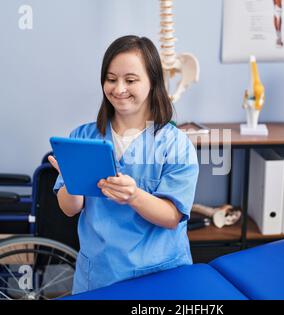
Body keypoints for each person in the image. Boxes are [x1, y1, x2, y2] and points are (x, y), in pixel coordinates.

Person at [48, 35, 199, 294]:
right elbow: (69, 209)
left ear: (153, 82)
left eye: (130, 80)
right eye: (111, 79)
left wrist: (134, 196)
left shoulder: (175, 144)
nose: (118, 89)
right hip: (100, 274)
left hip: (159, 274)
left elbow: (173, 217)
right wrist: (73, 182)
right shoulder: (83, 137)